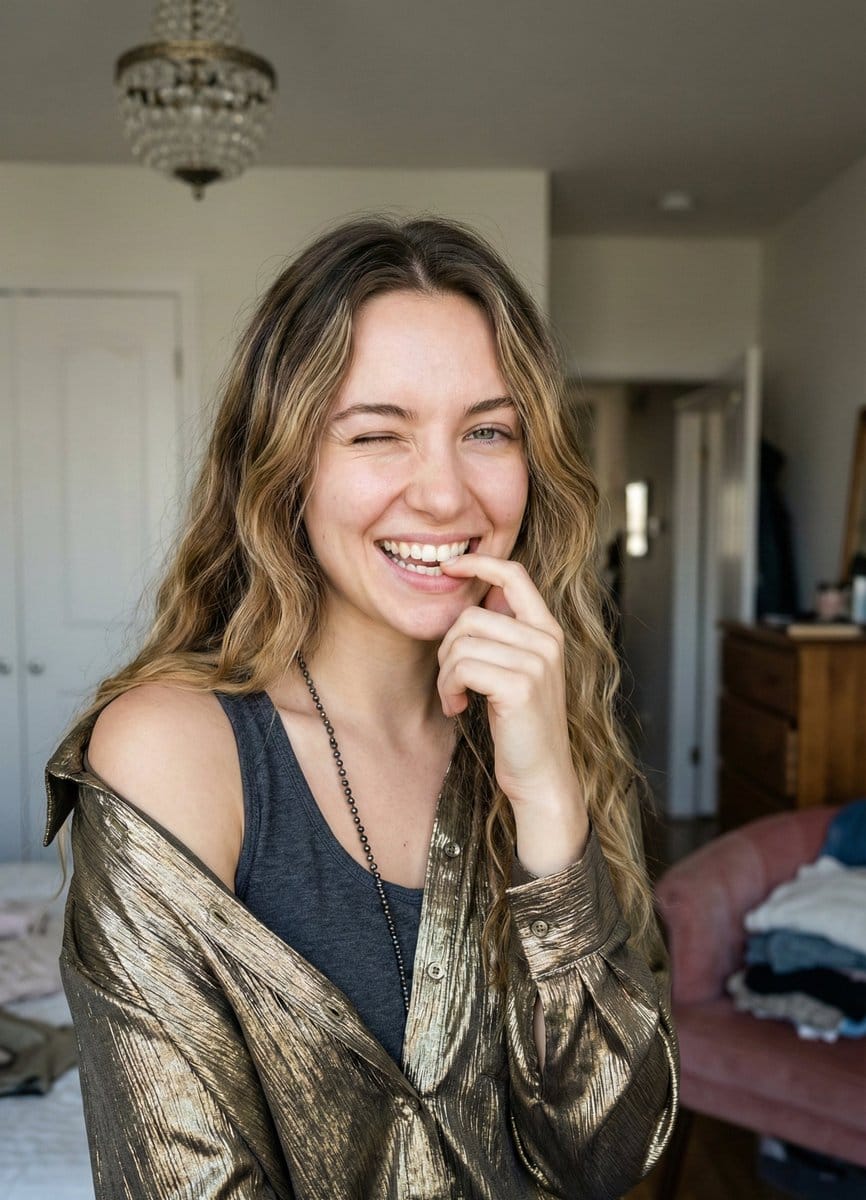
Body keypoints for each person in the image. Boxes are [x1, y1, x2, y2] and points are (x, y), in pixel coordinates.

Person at [45, 215, 679, 1200]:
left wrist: (549, 800)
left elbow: (600, 1155)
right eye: (377, 434)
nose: (442, 493)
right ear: (285, 465)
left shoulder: (553, 732)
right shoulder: (174, 755)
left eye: (487, 431)